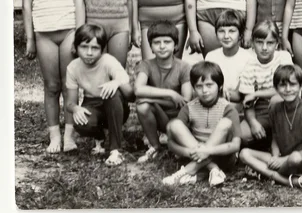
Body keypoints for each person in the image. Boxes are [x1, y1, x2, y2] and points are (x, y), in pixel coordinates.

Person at [19, 0, 86, 153]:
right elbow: (26, 6)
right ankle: (54, 136)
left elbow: (79, 3)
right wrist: (30, 39)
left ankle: (69, 136)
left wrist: (79, 38)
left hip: (68, 31)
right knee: (51, 86)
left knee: (70, 86)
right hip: (44, 35)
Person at [162, 62, 242, 186]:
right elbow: (171, 143)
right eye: (199, 86)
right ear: (193, 88)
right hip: (194, 154)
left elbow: (236, 146)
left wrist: (208, 150)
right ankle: (213, 169)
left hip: (223, 156)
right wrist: (190, 152)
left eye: (209, 85)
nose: (204, 90)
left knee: (225, 123)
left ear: (220, 86)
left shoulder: (228, 109)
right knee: (174, 124)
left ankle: (189, 170)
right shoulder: (189, 108)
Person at [239, 65, 302, 188]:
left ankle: (268, 174)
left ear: (301, 86)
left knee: (295, 158)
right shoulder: (275, 108)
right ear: (276, 88)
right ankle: (286, 180)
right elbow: (275, 137)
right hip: (282, 159)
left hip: (301, 160)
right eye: (282, 85)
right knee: (244, 153)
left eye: (292, 85)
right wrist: (275, 157)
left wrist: (284, 159)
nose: (288, 89)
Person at [65, 24, 132, 166]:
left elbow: (128, 86)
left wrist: (115, 83)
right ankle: (100, 137)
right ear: (75, 47)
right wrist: (76, 109)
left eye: (95, 48)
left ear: (102, 50)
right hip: (92, 103)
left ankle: (116, 150)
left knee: (111, 94)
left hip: (115, 105)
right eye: (84, 47)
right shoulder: (73, 67)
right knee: (80, 122)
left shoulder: (107, 60)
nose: (89, 52)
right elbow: (69, 103)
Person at [134, 21, 193, 163]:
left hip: (180, 119)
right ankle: (155, 146)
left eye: (167, 42)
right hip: (160, 115)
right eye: (156, 42)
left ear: (176, 45)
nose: (161, 46)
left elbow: (185, 100)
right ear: (151, 46)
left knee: (145, 102)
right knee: (142, 106)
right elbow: (138, 89)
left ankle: (177, 142)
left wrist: (151, 99)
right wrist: (170, 94)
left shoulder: (184, 67)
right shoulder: (146, 65)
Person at [237, 20, 293, 145]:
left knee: (276, 100)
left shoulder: (284, 57)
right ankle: (266, 139)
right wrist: (253, 123)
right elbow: (248, 103)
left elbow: (285, 90)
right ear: (252, 43)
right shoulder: (249, 65)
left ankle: (280, 142)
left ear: (277, 44)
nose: (264, 48)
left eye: (270, 43)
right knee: (242, 135)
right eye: (259, 42)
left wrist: (256, 94)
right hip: (261, 110)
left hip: (287, 106)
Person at [205, 10, 252, 108]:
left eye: (232, 31)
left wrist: (218, 92)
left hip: (237, 109)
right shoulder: (211, 56)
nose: (226, 36)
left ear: (240, 35)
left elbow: (239, 96)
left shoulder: (248, 58)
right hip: (214, 106)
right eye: (221, 31)